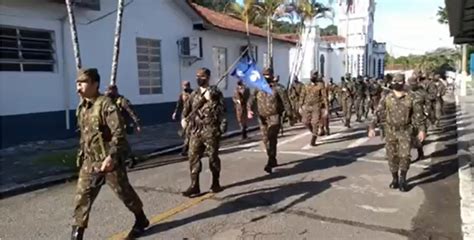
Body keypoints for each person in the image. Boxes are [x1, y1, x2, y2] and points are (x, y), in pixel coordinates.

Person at [73, 68, 149, 240]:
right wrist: (82, 154)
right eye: (77, 84)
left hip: (109, 162)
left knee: (124, 193)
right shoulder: (83, 107)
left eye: (82, 83)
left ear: (95, 84)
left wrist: (112, 156)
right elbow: (85, 135)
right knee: (82, 198)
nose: (78, 88)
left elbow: (119, 134)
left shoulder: (107, 105)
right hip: (90, 162)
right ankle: (77, 234)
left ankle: (141, 219)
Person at [368, 74, 426, 192]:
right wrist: (372, 127)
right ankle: (394, 178)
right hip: (390, 131)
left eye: (400, 82)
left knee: (405, 156)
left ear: (403, 83)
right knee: (391, 156)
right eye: (395, 82)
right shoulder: (387, 97)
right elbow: (378, 112)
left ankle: (403, 179)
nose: (397, 84)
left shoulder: (411, 97)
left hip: (405, 130)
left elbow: (418, 115)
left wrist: (421, 130)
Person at [181, 68, 226, 197]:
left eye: (202, 76)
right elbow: (187, 109)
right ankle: (194, 185)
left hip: (210, 130)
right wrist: (183, 119)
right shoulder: (194, 94)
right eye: (197, 76)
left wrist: (211, 97)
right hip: (196, 130)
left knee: (213, 157)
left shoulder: (215, 92)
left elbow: (223, 109)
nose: (199, 78)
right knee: (193, 156)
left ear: (208, 77)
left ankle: (215, 183)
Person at [247, 67, 294, 174]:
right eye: (264, 75)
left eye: (267, 75)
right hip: (262, 117)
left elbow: (286, 103)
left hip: (274, 117)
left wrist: (290, 116)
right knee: (265, 140)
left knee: (271, 137)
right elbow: (251, 99)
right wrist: (249, 110)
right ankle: (272, 157)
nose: (265, 77)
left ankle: (270, 161)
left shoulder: (279, 89)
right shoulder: (258, 88)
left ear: (272, 76)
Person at [105, 84, 141, 168]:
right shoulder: (110, 101)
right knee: (121, 144)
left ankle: (128, 160)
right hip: (112, 127)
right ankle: (130, 159)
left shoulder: (122, 100)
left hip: (122, 126)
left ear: (116, 91)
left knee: (120, 143)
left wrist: (137, 123)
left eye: (111, 91)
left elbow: (131, 112)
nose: (109, 93)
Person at [299, 71, 328, 146]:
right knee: (305, 121)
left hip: (316, 106)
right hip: (307, 106)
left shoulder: (320, 85)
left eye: (315, 75)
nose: (313, 77)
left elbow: (324, 97)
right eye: (312, 75)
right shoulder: (306, 85)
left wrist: (326, 109)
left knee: (315, 123)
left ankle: (313, 139)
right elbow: (302, 96)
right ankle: (314, 132)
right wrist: (300, 106)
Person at [408, 76, 430, 161]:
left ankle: (420, 153)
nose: (412, 86)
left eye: (413, 84)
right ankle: (407, 156)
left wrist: (426, 112)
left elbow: (428, 103)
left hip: (420, 118)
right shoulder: (406, 92)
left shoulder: (422, 93)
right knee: (408, 137)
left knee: (419, 137)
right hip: (409, 118)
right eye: (410, 84)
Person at [172, 81, 194, 156]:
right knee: (188, 133)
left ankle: (185, 150)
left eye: (187, 86)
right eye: (184, 86)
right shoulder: (182, 94)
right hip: (184, 116)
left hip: (193, 116)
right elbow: (179, 104)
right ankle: (187, 149)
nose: (185, 87)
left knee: (189, 133)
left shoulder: (193, 93)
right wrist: (175, 113)